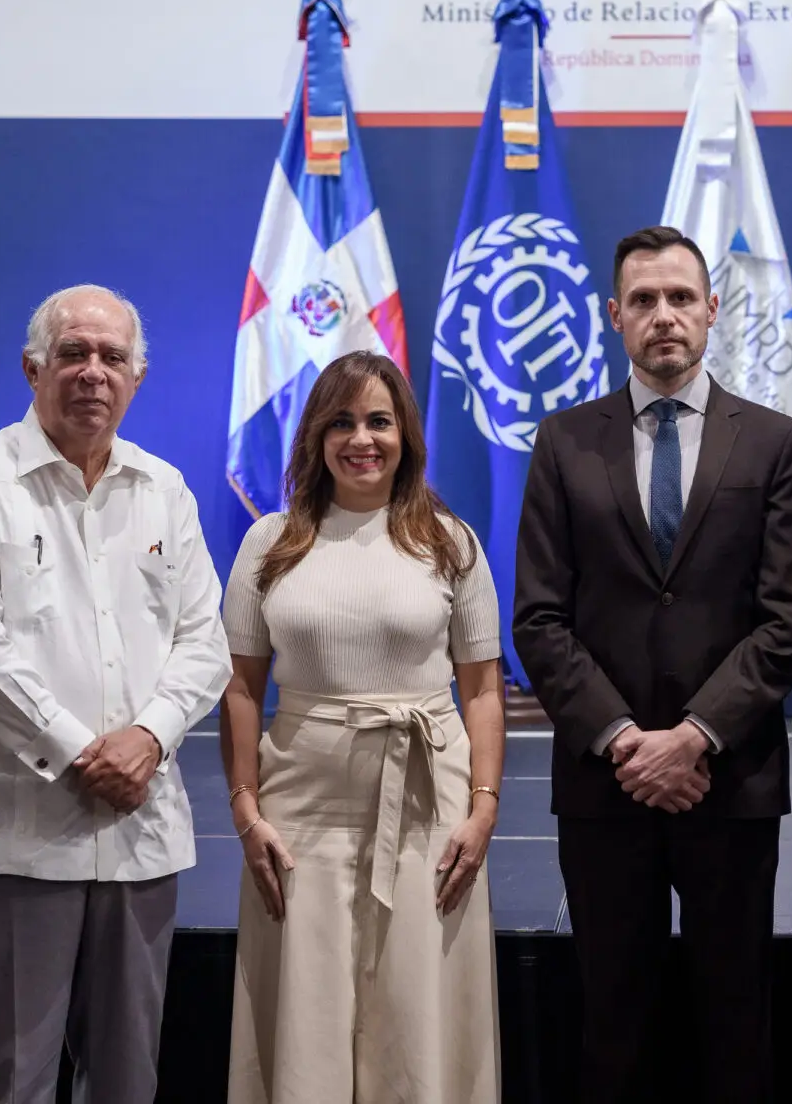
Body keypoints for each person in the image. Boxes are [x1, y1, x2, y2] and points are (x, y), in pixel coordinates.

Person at [514, 226, 792, 1103]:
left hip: (731, 781)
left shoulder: (773, 442)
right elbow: (539, 617)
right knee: (613, 1023)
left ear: (713, 310)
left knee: (736, 1022)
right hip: (607, 788)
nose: (664, 316)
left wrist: (693, 738)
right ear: (614, 316)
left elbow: (787, 615)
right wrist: (625, 742)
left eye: (681, 297)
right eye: (643, 300)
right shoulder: (565, 441)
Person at [0, 284, 232, 1104]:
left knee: (127, 1081)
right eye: (73, 353)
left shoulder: (165, 490)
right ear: (32, 368)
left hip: (138, 838)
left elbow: (205, 641)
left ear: (138, 378)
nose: (93, 372)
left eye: (112, 357)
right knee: (6, 1081)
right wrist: (85, 753)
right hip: (11, 837)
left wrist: (150, 737)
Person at [220, 351, 505, 1103]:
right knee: (302, 1016)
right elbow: (242, 687)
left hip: (427, 809)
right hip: (299, 810)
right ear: (315, 435)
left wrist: (483, 808)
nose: (362, 438)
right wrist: (246, 810)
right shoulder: (269, 543)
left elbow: (480, 691)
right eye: (341, 421)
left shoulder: (453, 543)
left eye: (379, 420)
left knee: (419, 1012)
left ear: (406, 434)